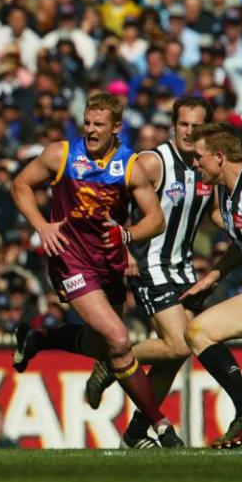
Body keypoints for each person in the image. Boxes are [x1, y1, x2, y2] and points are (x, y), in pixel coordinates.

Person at [10, 92, 184, 447]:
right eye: (87, 123)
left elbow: (157, 219)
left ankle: (38, 339)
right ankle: (161, 427)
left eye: (98, 125)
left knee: (101, 346)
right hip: (70, 259)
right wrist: (42, 226)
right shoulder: (60, 154)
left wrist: (127, 234)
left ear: (116, 127)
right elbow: (20, 184)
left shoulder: (130, 165)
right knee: (120, 340)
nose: (90, 131)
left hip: (109, 263)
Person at [83, 96, 215, 448]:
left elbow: (216, 214)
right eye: (183, 124)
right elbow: (113, 201)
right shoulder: (154, 162)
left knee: (171, 361)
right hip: (150, 265)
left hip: (184, 269)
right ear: (174, 125)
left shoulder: (206, 167)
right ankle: (115, 360)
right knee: (179, 344)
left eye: (196, 125)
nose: (189, 131)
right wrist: (124, 248)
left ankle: (137, 432)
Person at [177, 123, 242, 448]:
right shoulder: (230, 195)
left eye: (199, 157)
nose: (195, 164)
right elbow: (240, 242)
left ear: (219, 157)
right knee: (198, 332)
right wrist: (213, 277)